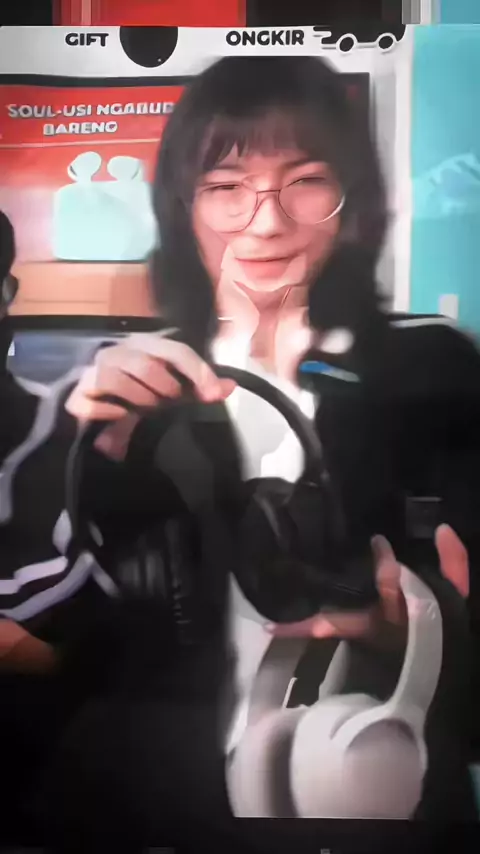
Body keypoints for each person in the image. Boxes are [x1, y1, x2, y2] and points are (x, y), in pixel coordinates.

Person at [0, 55, 476, 840]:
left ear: (355, 202)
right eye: (226, 187)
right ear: (183, 208)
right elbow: (68, 640)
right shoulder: (132, 387)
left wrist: (415, 631)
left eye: (307, 181)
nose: (265, 221)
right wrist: (87, 464)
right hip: (177, 808)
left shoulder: (435, 369)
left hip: (384, 784)